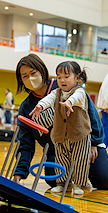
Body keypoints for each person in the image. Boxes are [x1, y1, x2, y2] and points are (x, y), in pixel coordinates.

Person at [12, 53, 108, 190]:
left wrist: (94, 143)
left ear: (42, 71)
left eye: (33, 73)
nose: (30, 78)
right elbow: (25, 143)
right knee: (53, 181)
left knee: (105, 181)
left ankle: (80, 175)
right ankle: (72, 174)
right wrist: (19, 172)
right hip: (57, 150)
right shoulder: (26, 108)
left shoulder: (65, 85)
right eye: (25, 76)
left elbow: (92, 114)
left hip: (84, 143)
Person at [30, 61, 91, 195]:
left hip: (79, 135)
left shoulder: (80, 91)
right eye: (59, 77)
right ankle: (61, 183)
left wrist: (69, 102)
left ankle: (78, 183)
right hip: (60, 135)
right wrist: (40, 106)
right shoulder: (56, 92)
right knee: (61, 158)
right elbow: (48, 99)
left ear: (77, 78)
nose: (62, 80)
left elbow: (76, 98)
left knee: (79, 159)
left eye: (66, 76)